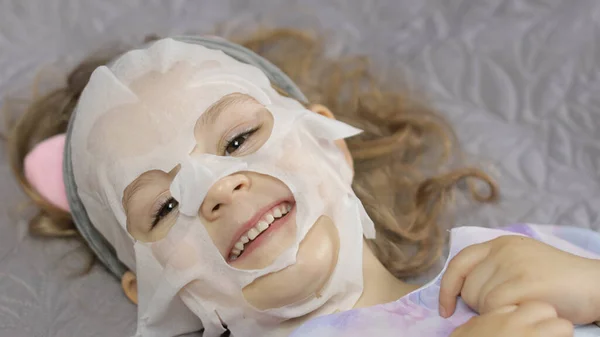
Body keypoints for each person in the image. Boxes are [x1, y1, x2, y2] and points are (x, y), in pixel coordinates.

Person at [6, 29, 600, 337]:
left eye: (238, 140)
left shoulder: (509, 260)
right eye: (162, 207)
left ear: (329, 141)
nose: (217, 188)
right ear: (149, 292)